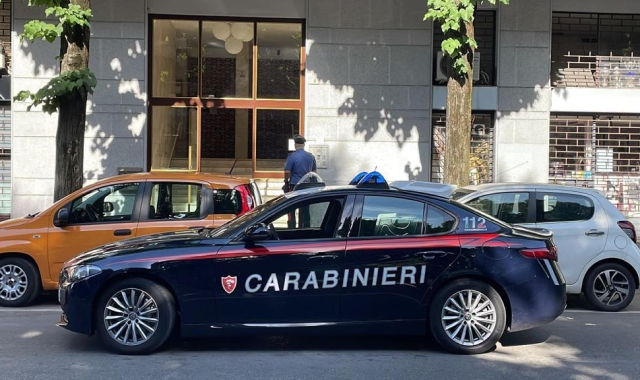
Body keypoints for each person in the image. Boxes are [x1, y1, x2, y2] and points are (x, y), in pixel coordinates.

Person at [283, 134, 316, 228]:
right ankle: (306, 229)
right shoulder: (311, 157)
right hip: (307, 186)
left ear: (295, 145)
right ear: (304, 145)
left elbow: (287, 171)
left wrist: (286, 181)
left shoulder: (292, 156)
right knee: (305, 210)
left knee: (291, 209)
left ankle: (291, 230)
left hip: (294, 186)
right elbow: (314, 172)